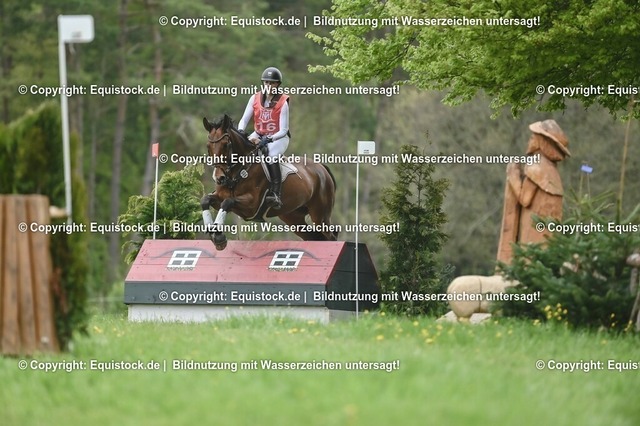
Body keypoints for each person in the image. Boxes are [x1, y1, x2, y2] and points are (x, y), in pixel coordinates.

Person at [496, 119, 571, 264]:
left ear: (541, 142)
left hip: (534, 227)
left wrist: (513, 176)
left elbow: (524, 199)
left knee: (530, 260)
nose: (529, 141)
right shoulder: (552, 171)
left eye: (532, 138)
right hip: (548, 230)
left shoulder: (536, 166)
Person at [237, 66, 290, 209]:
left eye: (272, 83)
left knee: (270, 156)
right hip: (259, 133)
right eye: (266, 82)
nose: (269, 85)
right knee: (242, 150)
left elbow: (284, 130)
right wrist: (241, 132)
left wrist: (268, 140)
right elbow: (244, 119)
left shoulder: (283, 102)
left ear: (277, 84)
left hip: (278, 138)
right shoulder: (254, 98)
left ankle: (276, 193)